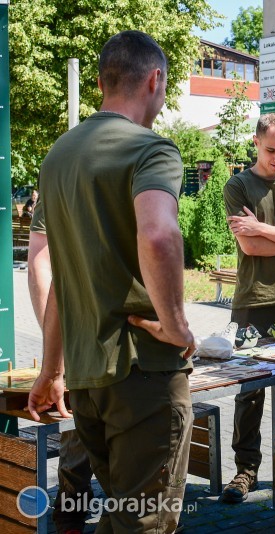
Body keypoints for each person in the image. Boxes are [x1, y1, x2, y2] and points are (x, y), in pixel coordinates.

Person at [27, 30, 195, 533]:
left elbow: (63, 278)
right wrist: (177, 325)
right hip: (143, 371)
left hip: (88, 380)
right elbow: (159, 234)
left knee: (122, 517)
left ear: (102, 82)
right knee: (144, 523)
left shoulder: (58, 157)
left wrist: (51, 369)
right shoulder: (151, 149)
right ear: (155, 80)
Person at [221, 113, 275, 503]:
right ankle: (246, 471)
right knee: (249, 391)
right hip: (252, 305)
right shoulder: (238, 186)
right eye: (271, 150)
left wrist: (261, 228)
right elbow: (250, 246)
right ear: (256, 143)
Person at [28, 203, 95, 534]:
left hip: (134, 340)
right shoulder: (60, 178)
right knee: (78, 429)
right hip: (82, 338)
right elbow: (41, 264)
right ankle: (71, 514)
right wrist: (56, 347)